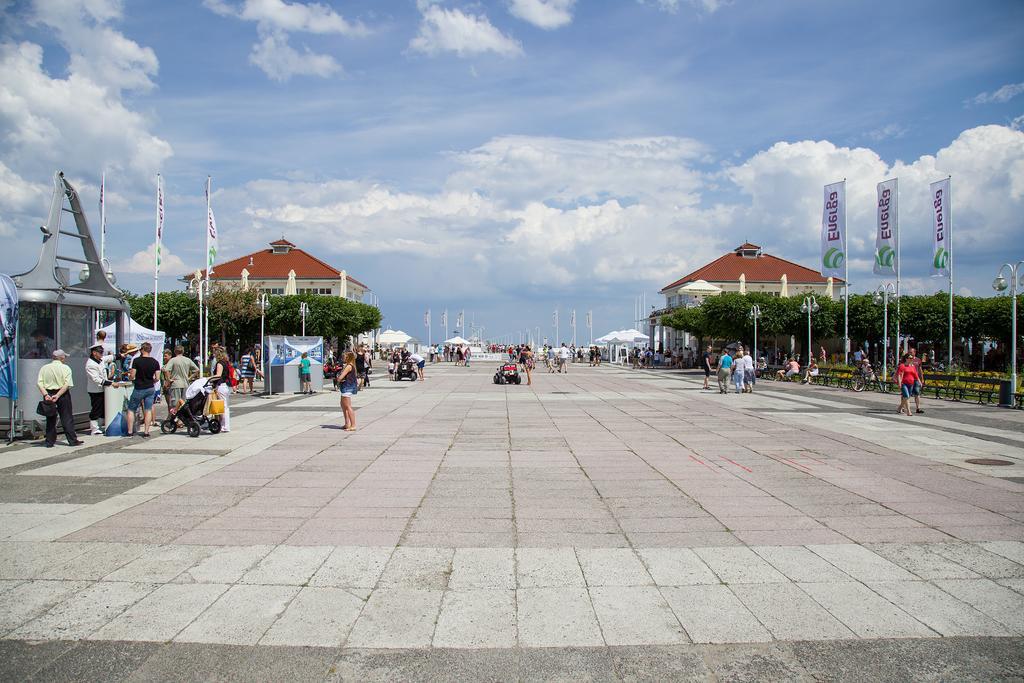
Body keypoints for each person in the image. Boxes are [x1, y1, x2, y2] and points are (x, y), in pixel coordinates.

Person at [37, 350, 82, 447]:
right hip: (62, 394)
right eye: (64, 357)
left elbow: (39, 383)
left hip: (48, 393)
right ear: (61, 358)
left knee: (50, 418)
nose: (65, 358)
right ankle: (72, 440)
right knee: (66, 417)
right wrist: (58, 395)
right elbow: (67, 384)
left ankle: (49, 441)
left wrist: (45, 394)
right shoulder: (65, 368)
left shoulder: (44, 368)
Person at [125, 342, 160, 438]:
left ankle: (130, 432)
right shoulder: (155, 362)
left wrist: (131, 377)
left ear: (143, 349)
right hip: (150, 388)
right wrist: (152, 381)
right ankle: (146, 432)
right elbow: (157, 377)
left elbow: (132, 375)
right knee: (148, 409)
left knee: (131, 409)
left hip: (139, 387)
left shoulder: (137, 361)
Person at [85, 344, 114, 435]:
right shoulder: (90, 364)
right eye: (100, 352)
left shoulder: (100, 360)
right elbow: (96, 379)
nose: (102, 354)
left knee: (103, 408)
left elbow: (109, 358)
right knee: (96, 409)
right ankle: (94, 428)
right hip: (95, 390)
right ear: (94, 353)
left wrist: (121, 355)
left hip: (103, 389)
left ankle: (100, 426)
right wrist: (111, 383)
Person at [212, 348, 234, 431]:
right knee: (226, 406)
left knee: (223, 406)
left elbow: (218, 375)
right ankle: (225, 425)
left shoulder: (219, 363)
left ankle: (224, 426)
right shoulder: (226, 363)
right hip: (226, 386)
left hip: (221, 386)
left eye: (214, 353)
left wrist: (209, 378)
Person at [337, 351, 358, 430]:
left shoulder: (349, 366)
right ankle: (347, 424)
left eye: (344, 356)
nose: (343, 358)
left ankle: (353, 425)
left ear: (348, 358)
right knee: (343, 406)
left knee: (348, 407)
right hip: (346, 387)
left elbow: (341, 377)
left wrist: (338, 379)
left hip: (347, 387)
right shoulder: (350, 365)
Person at [896, 352, 921, 417]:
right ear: (906, 359)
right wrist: (899, 383)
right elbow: (899, 375)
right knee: (906, 396)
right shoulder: (902, 365)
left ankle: (899, 408)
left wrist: (919, 382)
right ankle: (909, 411)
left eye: (912, 358)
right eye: (910, 358)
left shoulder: (912, 366)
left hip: (911, 384)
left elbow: (916, 375)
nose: (911, 359)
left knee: (906, 397)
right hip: (904, 383)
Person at [907, 347, 925, 414]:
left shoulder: (918, 360)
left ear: (914, 353)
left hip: (916, 379)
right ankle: (904, 407)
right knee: (907, 394)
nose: (909, 353)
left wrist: (922, 379)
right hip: (908, 378)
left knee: (917, 393)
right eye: (909, 352)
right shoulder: (906, 359)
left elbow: (920, 370)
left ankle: (918, 408)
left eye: (911, 352)